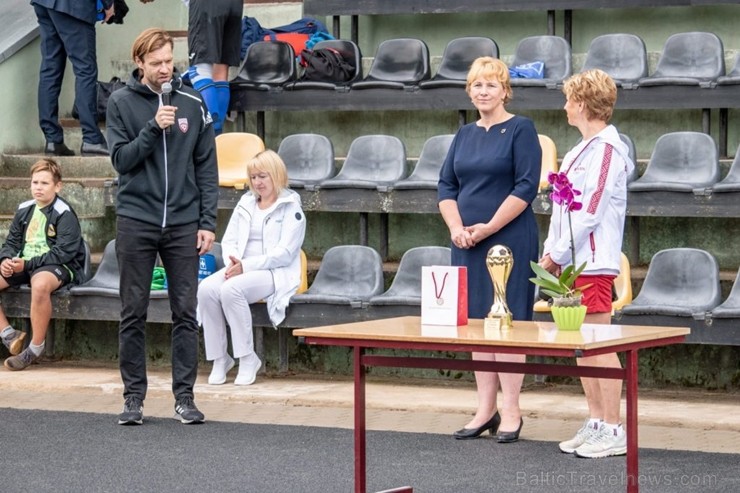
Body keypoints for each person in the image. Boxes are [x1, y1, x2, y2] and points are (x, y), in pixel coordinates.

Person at [106, 28, 218, 426]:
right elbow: (122, 160)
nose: (165, 69)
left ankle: (184, 398)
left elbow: (206, 166)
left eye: (169, 61)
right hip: (137, 219)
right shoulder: (120, 102)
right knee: (133, 311)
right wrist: (153, 126)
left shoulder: (192, 100)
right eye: (156, 63)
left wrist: (207, 222)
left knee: (185, 312)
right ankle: (133, 398)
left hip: (184, 223)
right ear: (140, 63)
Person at [438, 57, 541, 443]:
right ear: (469, 91)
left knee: (508, 325)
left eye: (491, 85)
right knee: (477, 324)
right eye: (477, 85)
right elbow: (446, 186)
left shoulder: (521, 129)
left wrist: (489, 228)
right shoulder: (464, 134)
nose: (483, 92)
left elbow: (527, 186)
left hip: (508, 240)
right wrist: (456, 229)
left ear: (505, 91)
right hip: (465, 242)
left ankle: (512, 409)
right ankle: (485, 409)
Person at [539, 69, 634, 458]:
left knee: (598, 344)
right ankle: (596, 420)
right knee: (582, 345)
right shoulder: (579, 149)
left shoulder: (609, 151)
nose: (564, 106)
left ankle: (613, 428)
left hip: (593, 263)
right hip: (570, 263)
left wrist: (556, 255)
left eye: (568, 100)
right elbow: (561, 210)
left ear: (581, 103)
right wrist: (553, 253)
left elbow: (591, 212)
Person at [198, 150, 306, 386]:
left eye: (263, 177)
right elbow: (229, 240)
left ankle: (247, 358)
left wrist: (245, 266)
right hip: (239, 267)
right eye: (253, 177)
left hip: (273, 272)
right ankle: (219, 358)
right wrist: (234, 262)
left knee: (231, 290)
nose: (257, 182)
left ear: (276, 175)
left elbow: (285, 254)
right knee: (206, 289)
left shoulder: (291, 207)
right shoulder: (246, 202)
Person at [0, 158, 88, 370]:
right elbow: (11, 242)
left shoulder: (64, 213)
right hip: (25, 263)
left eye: (44, 183)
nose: (38, 188)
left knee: (39, 284)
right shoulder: (24, 209)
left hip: (57, 265)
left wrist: (27, 264)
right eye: (35, 182)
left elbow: (64, 252)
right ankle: (9, 335)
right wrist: (5, 260)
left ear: (58, 186)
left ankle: (34, 349)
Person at [140, 0, 243, 135]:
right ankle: (218, 139)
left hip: (207, 6)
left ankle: (211, 136)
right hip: (234, 4)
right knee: (220, 74)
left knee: (200, 71)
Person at [31, 0, 114, 156]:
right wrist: (108, 3)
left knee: (50, 69)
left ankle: (53, 140)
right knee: (85, 71)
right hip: (73, 5)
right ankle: (92, 139)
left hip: (44, 4)